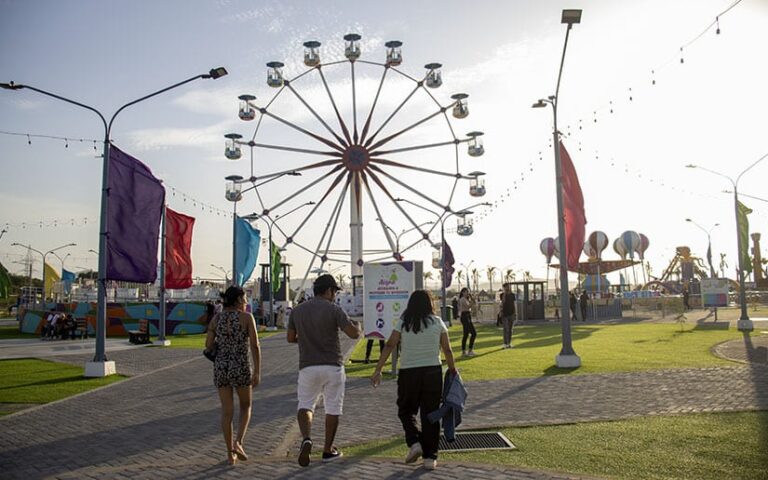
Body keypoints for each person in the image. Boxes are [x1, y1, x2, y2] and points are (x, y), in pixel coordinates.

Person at [371, 290, 456, 471]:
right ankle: (430, 458)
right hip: (433, 372)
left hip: (409, 372)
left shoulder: (404, 322)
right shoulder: (438, 322)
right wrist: (453, 370)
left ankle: (414, 442)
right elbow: (447, 350)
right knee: (431, 414)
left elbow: (390, 345)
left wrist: (378, 369)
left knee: (406, 410)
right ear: (429, 304)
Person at [287, 274, 362, 467]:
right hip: (332, 365)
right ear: (329, 290)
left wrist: (305, 339)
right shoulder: (334, 310)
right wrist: (358, 327)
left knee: (305, 405)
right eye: (335, 291)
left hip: (308, 366)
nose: (335, 295)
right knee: (333, 407)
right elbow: (353, 334)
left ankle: (306, 438)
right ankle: (328, 449)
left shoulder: (298, 311)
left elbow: (290, 337)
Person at [205, 285, 261, 466]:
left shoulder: (216, 319)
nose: (245, 302)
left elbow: (208, 345)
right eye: (244, 298)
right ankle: (239, 442)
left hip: (221, 367)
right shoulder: (246, 318)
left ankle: (230, 454)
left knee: (227, 412)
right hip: (241, 366)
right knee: (246, 406)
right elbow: (254, 345)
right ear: (238, 299)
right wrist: (258, 370)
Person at [457, 288, 476, 356]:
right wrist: (472, 301)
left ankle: (466, 351)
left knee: (467, 334)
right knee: (471, 333)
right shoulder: (462, 299)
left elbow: (471, 306)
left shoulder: (467, 299)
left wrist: (472, 300)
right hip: (465, 316)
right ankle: (467, 351)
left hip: (468, 315)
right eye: (466, 292)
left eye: (468, 292)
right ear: (462, 292)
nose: (467, 293)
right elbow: (468, 307)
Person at [500, 284, 516, 349]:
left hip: (511, 314)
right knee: (505, 329)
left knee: (510, 330)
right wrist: (505, 294)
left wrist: (515, 313)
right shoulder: (502, 295)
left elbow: (514, 304)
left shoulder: (513, 295)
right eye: (506, 287)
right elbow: (503, 302)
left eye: (508, 287)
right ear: (504, 288)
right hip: (505, 314)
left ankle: (509, 343)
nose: (508, 288)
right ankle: (505, 343)